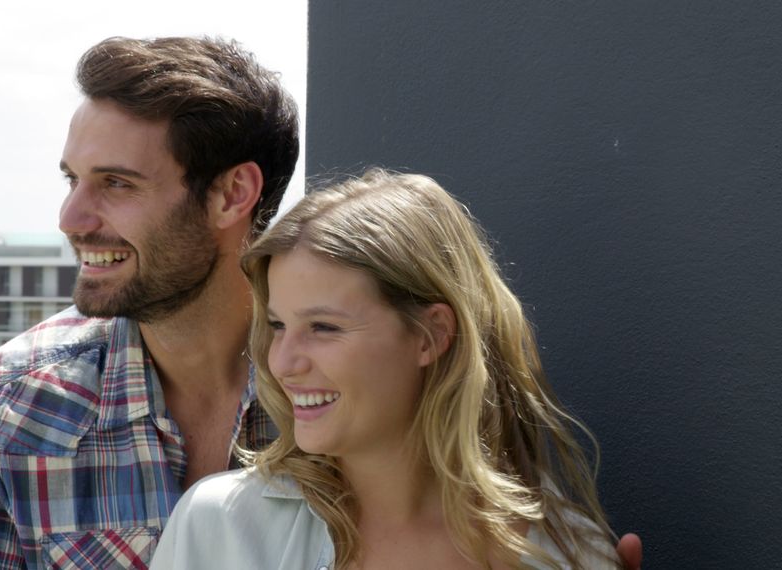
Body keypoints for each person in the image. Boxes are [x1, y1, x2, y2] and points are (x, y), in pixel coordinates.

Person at [0, 36, 298, 569]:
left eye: (116, 183)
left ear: (231, 194)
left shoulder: (347, 394)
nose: (71, 219)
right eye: (73, 180)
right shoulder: (8, 411)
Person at [151, 169, 628, 568]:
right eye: (277, 325)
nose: (282, 362)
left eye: (323, 327)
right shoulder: (221, 528)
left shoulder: (568, 555)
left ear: (430, 335)